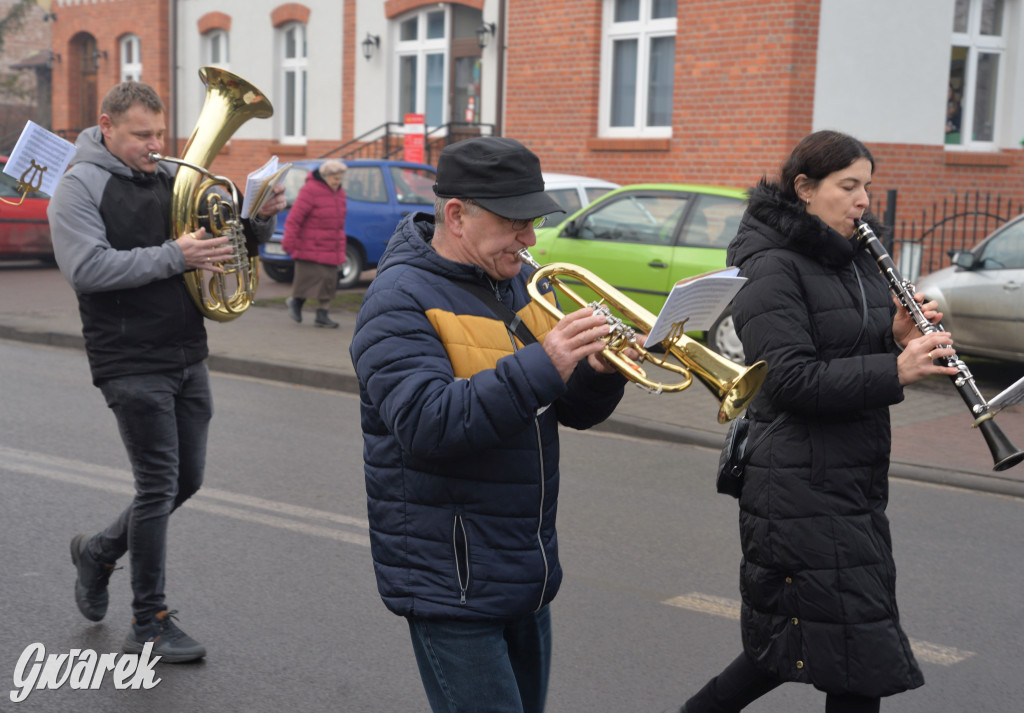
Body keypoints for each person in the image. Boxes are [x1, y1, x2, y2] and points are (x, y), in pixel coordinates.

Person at [663, 130, 959, 713]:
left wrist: (893, 336)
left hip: (850, 480)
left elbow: (845, 347)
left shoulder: (855, 260)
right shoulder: (770, 266)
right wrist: (895, 369)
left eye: (866, 187)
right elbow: (792, 379)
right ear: (804, 188)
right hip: (796, 487)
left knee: (807, 645)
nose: (862, 201)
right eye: (847, 186)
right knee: (851, 656)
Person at [349, 136, 631, 713]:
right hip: (450, 584)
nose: (530, 239)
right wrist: (544, 362)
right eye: (515, 223)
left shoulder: (522, 281)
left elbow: (571, 410)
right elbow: (428, 425)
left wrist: (599, 373)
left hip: (524, 569)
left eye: (534, 222)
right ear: (457, 215)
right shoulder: (396, 300)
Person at [47, 80, 286, 663]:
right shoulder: (79, 186)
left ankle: (99, 552)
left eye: (160, 134)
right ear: (106, 126)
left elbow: (209, 249)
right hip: (127, 357)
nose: (156, 146)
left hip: (185, 350)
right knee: (157, 485)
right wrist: (176, 255)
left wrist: (254, 227)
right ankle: (148, 622)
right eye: (141, 135)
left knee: (187, 480)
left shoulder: (168, 179)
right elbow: (88, 268)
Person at [282, 159, 348, 328]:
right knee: (307, 279)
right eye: (335, 179)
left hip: (331, 245)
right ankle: (296, 301)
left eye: (340, 179)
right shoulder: (310, 191)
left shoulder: (339, 193)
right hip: (310, 244)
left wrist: (341, 245)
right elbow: (294, 219)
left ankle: (322, 315)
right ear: (325, 176)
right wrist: (289, 241)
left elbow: (339, 222)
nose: (338, 183)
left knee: (329, 281)